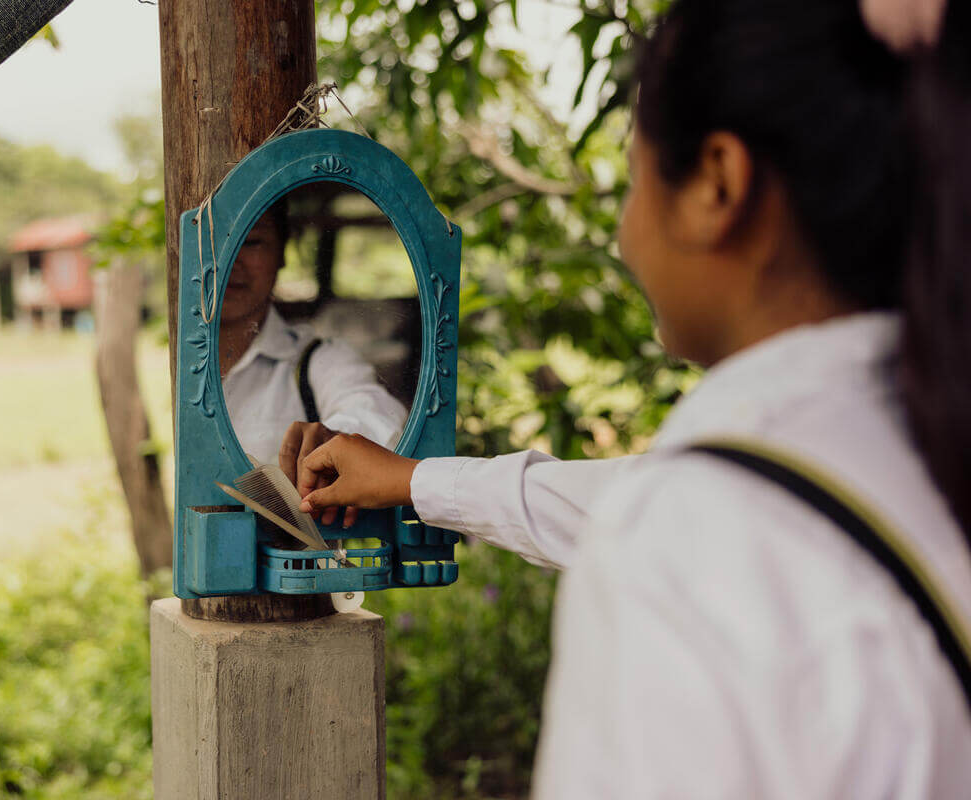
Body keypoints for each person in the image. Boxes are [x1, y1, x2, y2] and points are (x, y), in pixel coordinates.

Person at [290, 0, 971, 796]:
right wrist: (413, 482)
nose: (622, 232)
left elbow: (675, 518)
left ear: (718, 181)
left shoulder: (688, 540)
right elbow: (627, 498)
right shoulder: (915, 439)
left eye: (637, 175)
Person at [218, 200, 407, 468]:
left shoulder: (317, 359)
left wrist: (335, 441)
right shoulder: (171, 363)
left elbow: (374, 413)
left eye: (252, 241)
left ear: (282, 252)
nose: (230, 261)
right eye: (213, 243)